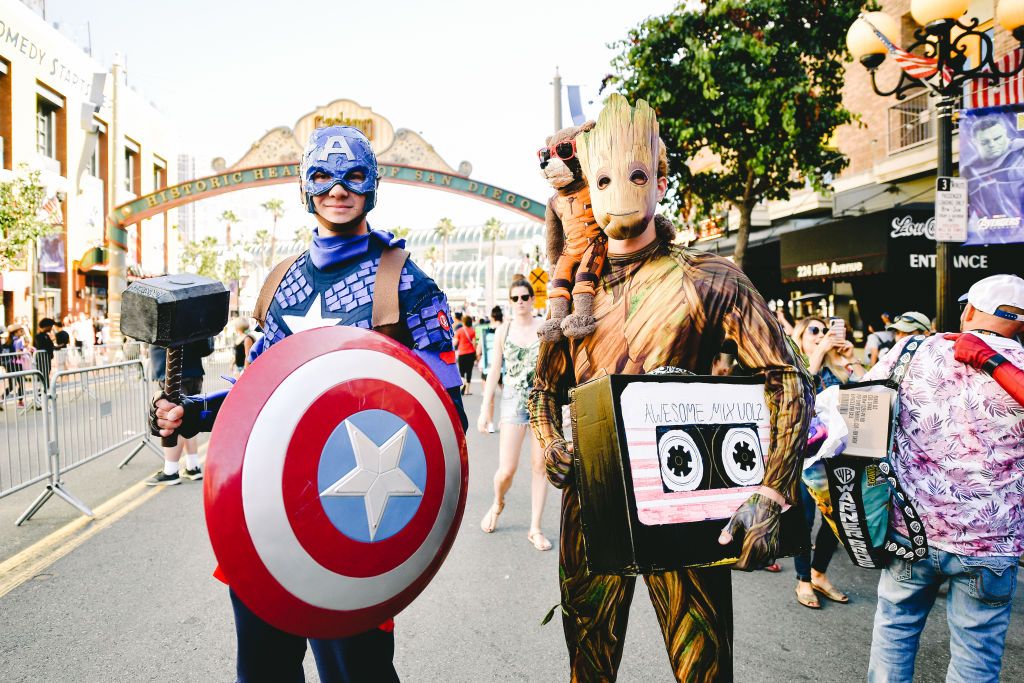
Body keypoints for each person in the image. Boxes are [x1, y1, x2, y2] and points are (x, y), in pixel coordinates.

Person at [152, 125, 465, 683]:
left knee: (356, 675)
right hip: (266, 512)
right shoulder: (284, 282)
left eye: (353, 177)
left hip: (355, 515)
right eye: (322, 176)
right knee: (264, 671)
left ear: (372, 185)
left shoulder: (407, 284)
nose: (337, 190)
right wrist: (194, 411)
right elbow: (256, 390)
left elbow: (447, 417)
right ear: (305, 187)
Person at [530, 96, 812, 681]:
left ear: (661, 178)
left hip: (687, 500)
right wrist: (548, 440)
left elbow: (786, 378)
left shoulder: (708, 278)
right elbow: (543, 389)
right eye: (603, 178)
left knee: (703, 668)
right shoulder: (570, 299)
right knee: (589, 665)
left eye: (636, 175)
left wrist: (771, 490)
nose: (619, 192)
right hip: (592, 501)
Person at [862, 273, 1024, 682]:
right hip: (992, 539)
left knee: (895, 627)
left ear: (969, 311)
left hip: (910, 528)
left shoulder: (914, 349)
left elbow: (861, 407)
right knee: (977, 650)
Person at [477, 279, 550, 551]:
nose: (520, 302)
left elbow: (558, 365)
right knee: (506, 470)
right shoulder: (503, 331)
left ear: (532, 299)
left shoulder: (544, 326)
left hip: (542, 401)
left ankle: (535, 528)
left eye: (524, 297)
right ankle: (497, 503)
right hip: (512, 402)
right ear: (510, 302)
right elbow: (494, 370)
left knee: (539, 467)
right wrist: (486, 408)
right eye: (515, 298)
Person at [789, 317, 852, 609]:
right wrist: (818, 352)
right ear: (801, 337)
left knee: (837, 519)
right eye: (814, 331)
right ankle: (803, 579)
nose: (821, 335)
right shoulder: (795, 365)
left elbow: (866, 396)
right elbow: (801, 392)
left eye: (825, 330)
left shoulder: (835, 367)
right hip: (805, 456)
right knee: (804, 520)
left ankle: (819, 573)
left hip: (839, 457)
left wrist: (846, 359)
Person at [145, 337, 214, 486]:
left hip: (173, 372)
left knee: (174, 420)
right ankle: (193, 466)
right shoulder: (194, 315)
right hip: (193, 371)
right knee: (189, 418)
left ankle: (171, 471)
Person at [477, 305, 503, 383]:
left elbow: (478, 351)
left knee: (488, 393)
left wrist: (479, 360)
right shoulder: (507, 330)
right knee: (505, 393)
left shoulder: (486, 332)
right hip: (503, 366)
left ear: (492, 317)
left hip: (488, 366)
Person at [454, 314, 476, 394]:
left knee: (462, 371)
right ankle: (467, 390)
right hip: (471, 353)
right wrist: (476, 352)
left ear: (463, 322)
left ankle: (462, 386)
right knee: (469, 371)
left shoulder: (459, 331)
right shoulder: (472, 331)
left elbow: (455, 342)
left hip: (462, 353)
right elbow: (474, 343)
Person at [33, 318, 56, 386]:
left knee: (47, 373)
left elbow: (51, 345)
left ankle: (45, 389)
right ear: (47, 326)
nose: (51, 328)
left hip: (47, 358)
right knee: (43, 374)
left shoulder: (46, 336)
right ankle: (43, 390)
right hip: (42, 359)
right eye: (51, 326)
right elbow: (42, 346)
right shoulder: (38, 336)